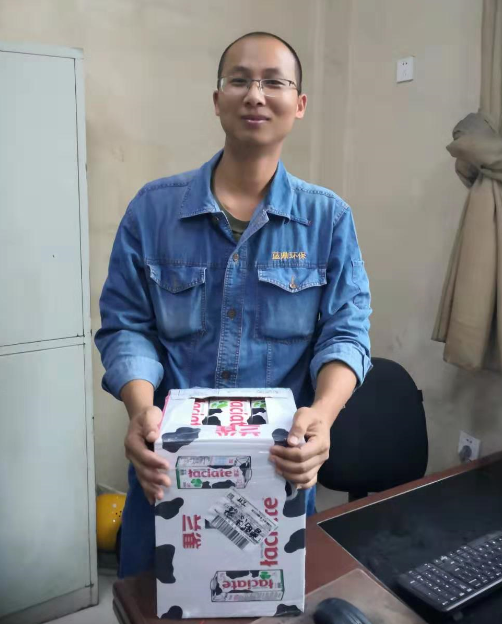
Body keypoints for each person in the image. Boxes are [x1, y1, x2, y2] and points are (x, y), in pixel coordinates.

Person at [95, 31, 372, 578]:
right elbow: (126, 326)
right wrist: (139, 409)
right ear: (217, 99)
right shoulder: (153, 210)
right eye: (240, 80)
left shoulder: (327, 218)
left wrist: (322, 417)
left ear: (299, 103)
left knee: (264, 602)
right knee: (157, 601)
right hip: (169, 472)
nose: (256, 95)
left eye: (274, 82)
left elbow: (347, 332)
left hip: (277, 472)